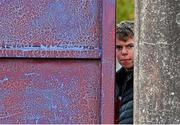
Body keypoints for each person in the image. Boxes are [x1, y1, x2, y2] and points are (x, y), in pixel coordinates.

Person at [115, 21, 134, 124]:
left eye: (130, 46)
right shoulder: (115, 81)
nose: (124, 52)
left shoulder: (150, 78)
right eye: (119, 47)